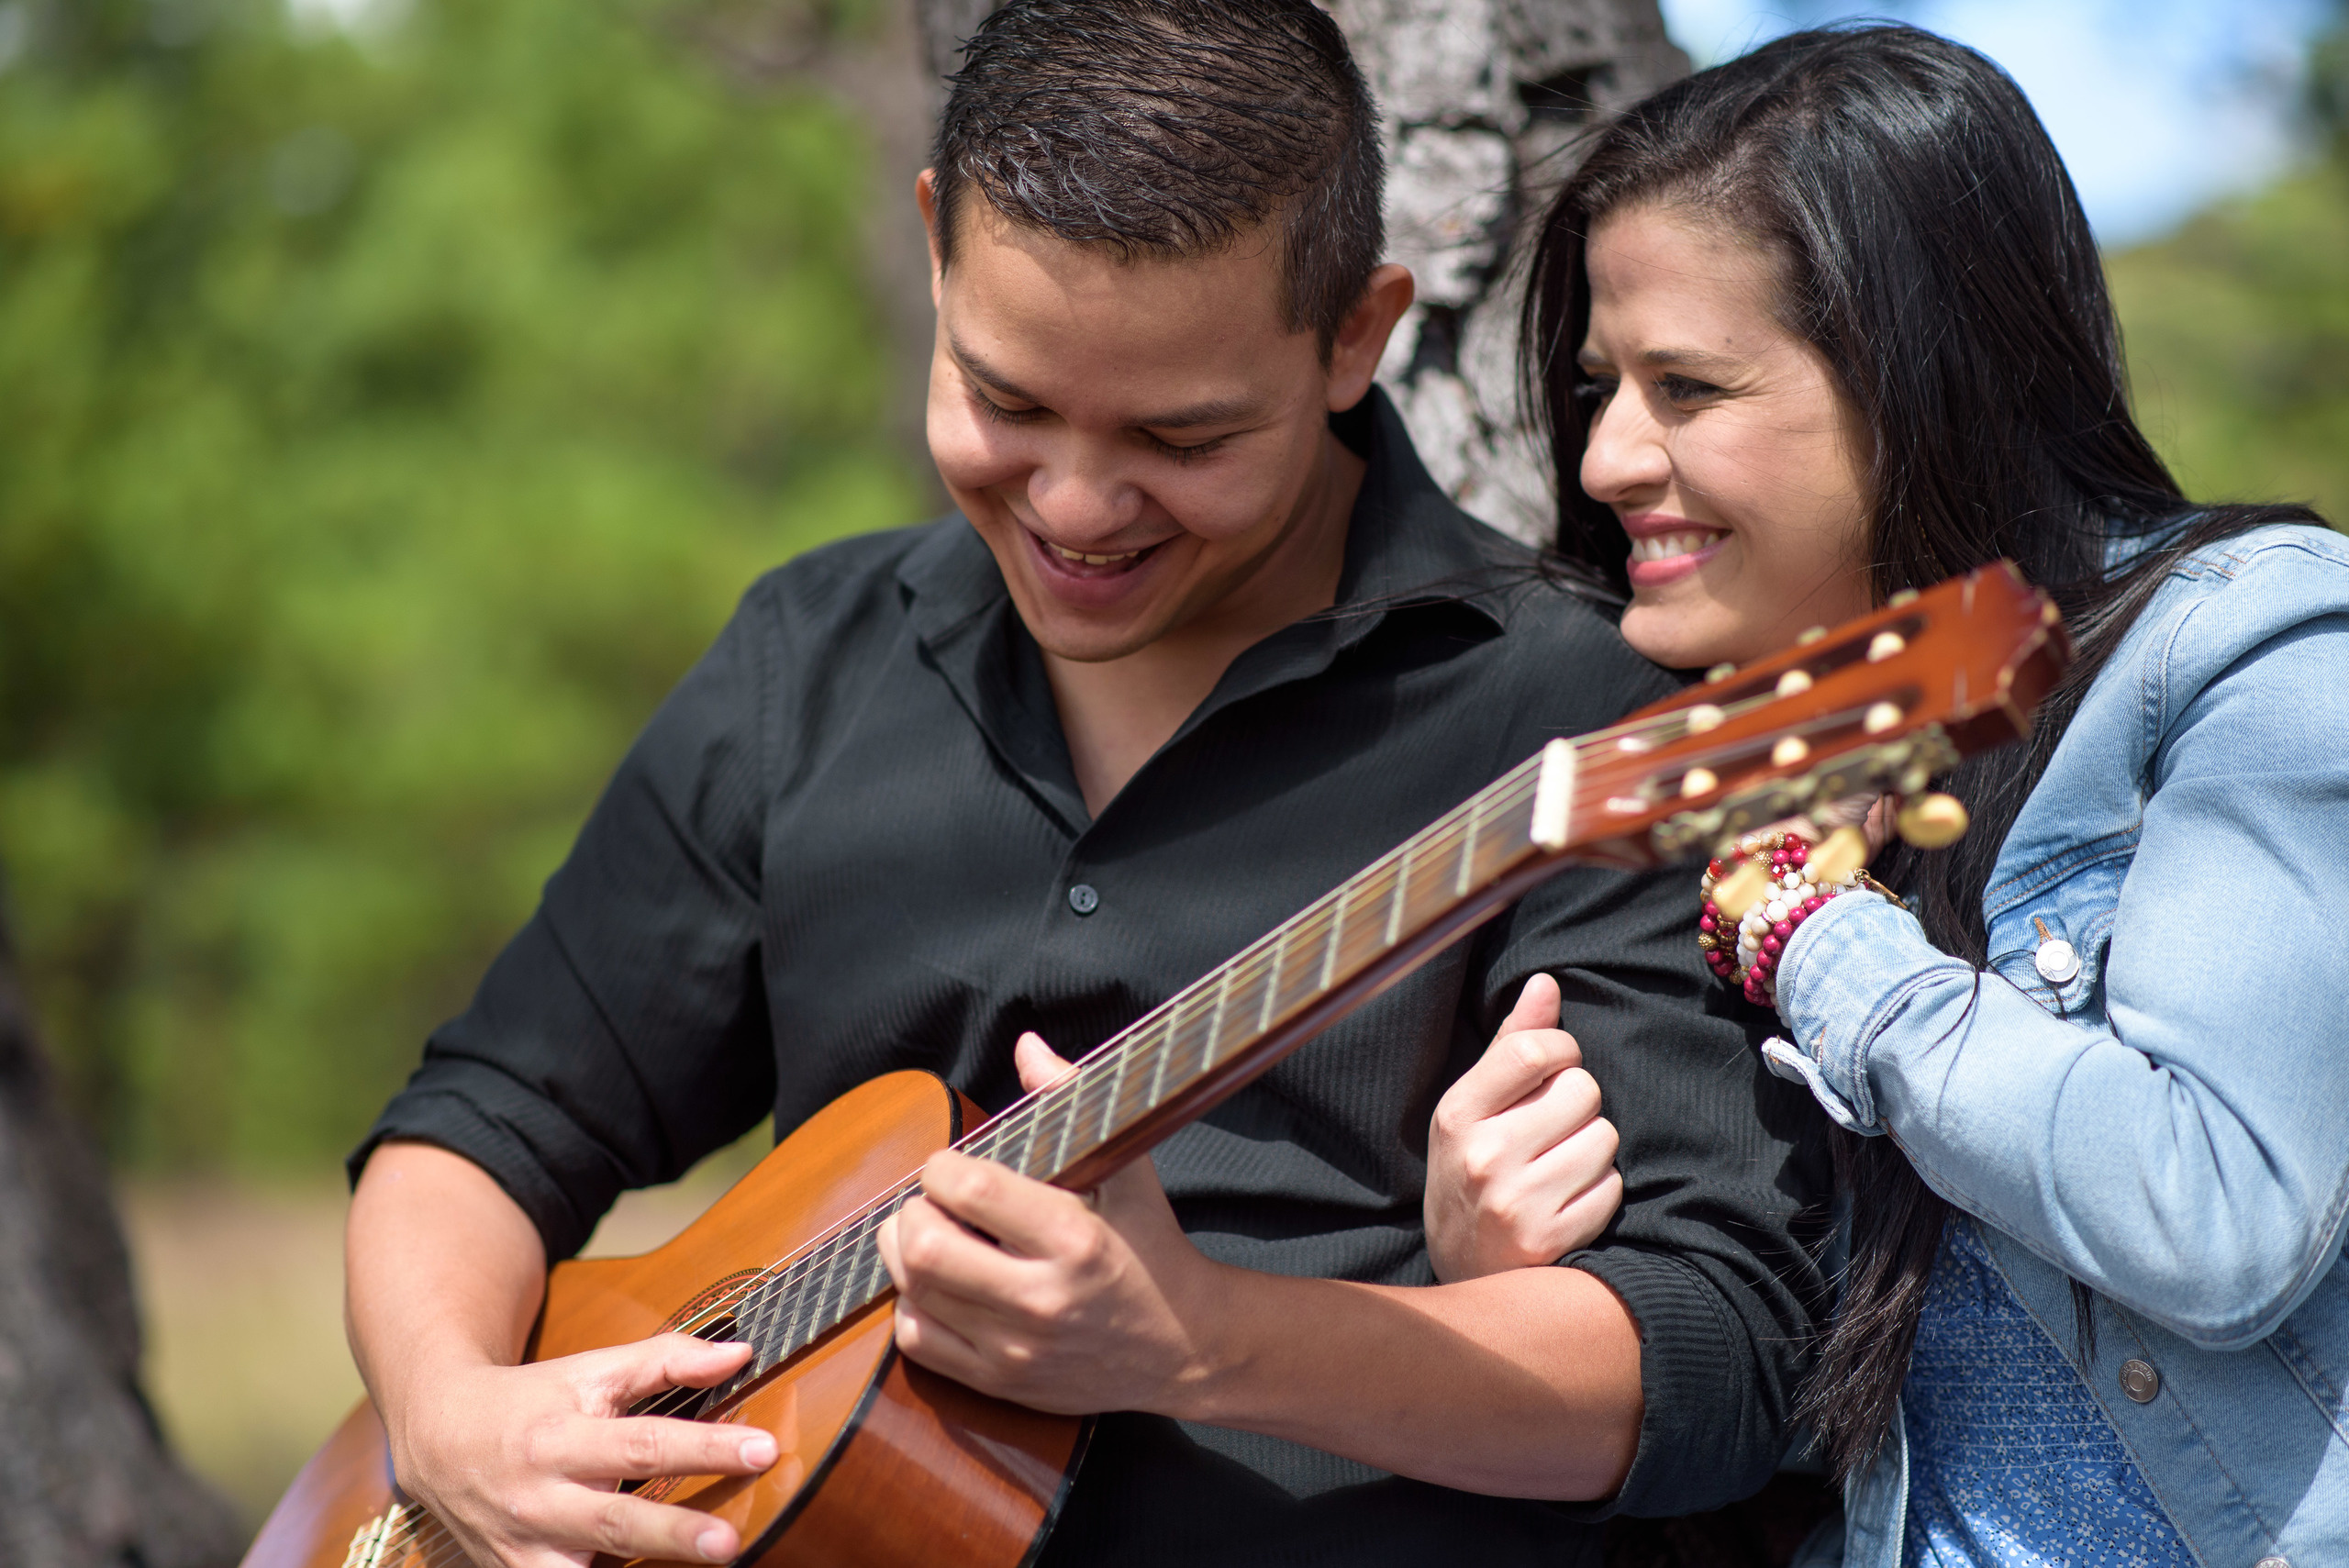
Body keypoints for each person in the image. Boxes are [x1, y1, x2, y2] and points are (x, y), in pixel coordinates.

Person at [340, 4, 1835, 1565]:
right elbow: (488, 1118)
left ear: (1356, 333)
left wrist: (1201, 1340)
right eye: (1009, 401)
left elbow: (1722, 1350)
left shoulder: (1582, 721)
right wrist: (448, 1423)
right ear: (935, 247)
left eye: (1180, 435)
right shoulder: (811, 659)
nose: (1072, 503)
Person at [1423, 21, 2349, 1568]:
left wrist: (1821, 940)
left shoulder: (2253, 646)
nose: (1603, 457)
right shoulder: (1706, 768)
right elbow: (1811, 1401)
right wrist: (1515, 1277)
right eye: (1600, 388)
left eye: (1688, 385)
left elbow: (2218, 1210)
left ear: (1913, 379)